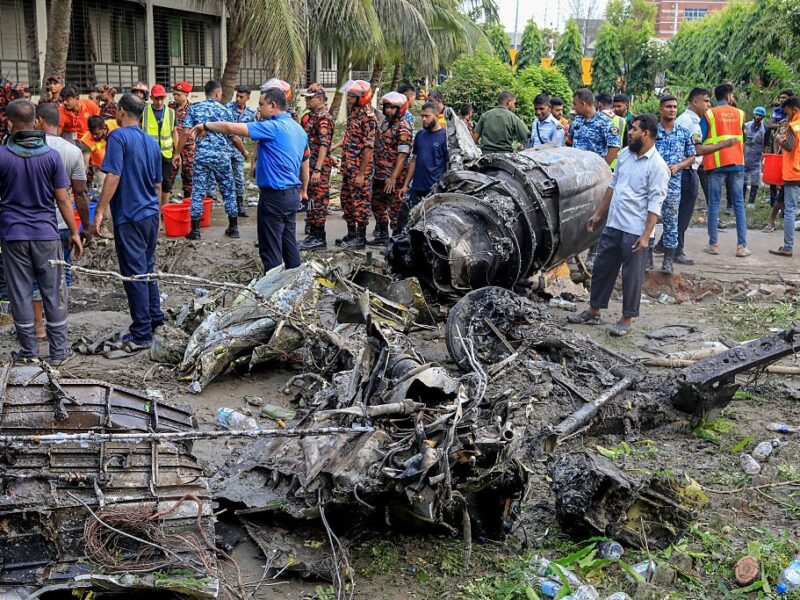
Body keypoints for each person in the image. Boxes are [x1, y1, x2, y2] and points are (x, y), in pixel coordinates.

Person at [567, 114, 670, 337]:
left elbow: (655, 204)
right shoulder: (625, 155)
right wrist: (598, 214)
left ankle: (626, 319)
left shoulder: (658, 166)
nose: (630, 133)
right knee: (603, 269)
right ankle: (594, 312)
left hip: (636, 230)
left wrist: (646, 236)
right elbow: (612, 187)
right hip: (614, 224)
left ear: (647, 134)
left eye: (633, 129)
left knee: (631, 276)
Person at [0, 99, 83, 361]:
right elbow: (63, 199)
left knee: (21, 293)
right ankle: (58, 353)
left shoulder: (1, 156)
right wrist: (74, 232)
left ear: (9, 123)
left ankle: (29, 353)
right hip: (47, 235)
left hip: (13, 236)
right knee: (54, 291)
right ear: (35, 121)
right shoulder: (51, 156)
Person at [191, 87, 309, 271]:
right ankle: (295, 285)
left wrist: (205, 125)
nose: (258, 109)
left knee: (270, 250)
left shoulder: (273, 127)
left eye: (261, 105)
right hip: (291, 195)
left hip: (274, 197)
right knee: (289, 244)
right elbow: (304, 161)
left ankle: (272, 292)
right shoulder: (298, 129)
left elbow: (231, 128)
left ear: (273, 105)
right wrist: (304, 190)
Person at [93, 93, 163, 347]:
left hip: (130, 214)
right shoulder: (151, 142)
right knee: (146, 267)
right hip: (149, 214)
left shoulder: (118, 137)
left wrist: (100, 210)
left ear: (121, 112)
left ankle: (142, 331)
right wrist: (157, 212)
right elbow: (157, 183)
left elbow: (113, 175)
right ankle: (155, 318)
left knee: (134, 274)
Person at [33, 103, 91, 338]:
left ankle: (38, 327)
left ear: (38, 121)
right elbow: (79, 193)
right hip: (64, 223)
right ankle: (59, 321)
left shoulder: (27, 148)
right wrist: (85, 226)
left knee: (35, 276)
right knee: (63, 272)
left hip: (35, 226)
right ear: (58, 123)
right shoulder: (73, 150)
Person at [175, 80, 247, 240]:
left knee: (198, 191)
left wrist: (177, 153)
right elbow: (234, 136)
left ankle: (195, 230)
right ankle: (233, 227)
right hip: (222, 157)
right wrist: (243, 152)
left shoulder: (195, 108)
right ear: (217, 93)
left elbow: (185, 133)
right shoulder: (225, 111)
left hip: (202, 157)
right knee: (228, 189)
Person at [567, 88, 621, 269]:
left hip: (596, 178)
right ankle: (570, 252)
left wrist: (601, 169)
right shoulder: (577, 122)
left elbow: (614, 149)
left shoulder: (606, 123)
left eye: (575, 104)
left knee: (596, 213)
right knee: (573, 212)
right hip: (576, 176)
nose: (573, 107)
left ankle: (593, 253)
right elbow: (569, 142)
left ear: (583, 103)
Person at [700, 83, 750, 257]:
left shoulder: (709, 114)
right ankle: (741, 247)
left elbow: (701, 137)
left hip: (716, 163)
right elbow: (744, 137)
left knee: (714, 203)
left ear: (716, 96)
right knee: (739, 204)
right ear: (729, 96)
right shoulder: (740, 113)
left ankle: (713, 244)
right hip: (737, 162)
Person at [652, 95, 696, 274]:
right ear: (661, 109)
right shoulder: (653, 132)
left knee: (671, 221)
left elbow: (692, 156)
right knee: (650, 219)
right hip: (653, 183)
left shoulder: (684, 132)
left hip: (674, 184)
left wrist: (679, 166)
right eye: (668, 106)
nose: (672, 109)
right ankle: (647, 259)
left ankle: (668, 261)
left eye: (675, 107)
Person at [337, 80, 378, 249]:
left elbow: (368, 149)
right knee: (346, 200)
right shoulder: (354, 114)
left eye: (352, 96)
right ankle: (351, 233)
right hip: (349, 167)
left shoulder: (368, 118)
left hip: (360, 169)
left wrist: (361, 174)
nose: (349, 98)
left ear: (362, 97)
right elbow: (349, 139)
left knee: (360, 203)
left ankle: (360, 238)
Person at [369, 91, 413, 245]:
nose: (388, 110)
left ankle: (396, 241)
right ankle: (381, 235)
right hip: (380, 174)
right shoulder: (386, 124)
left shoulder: (403, 128)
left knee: (395, 210)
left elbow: (402, 155)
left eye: (392, 108)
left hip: (395, 178)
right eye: (386, 107)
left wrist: (393, 178)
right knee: (376, 204)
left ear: (400, 109)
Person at [397, 102, 449, 230]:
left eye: (427, 116)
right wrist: (405, 185)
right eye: (422, 116)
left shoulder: (445, 137)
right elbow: (414, 160)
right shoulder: (420, 134)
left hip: (434, 189)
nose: (424, 119)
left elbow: (448, 164)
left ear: (436, 115)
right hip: (417, 187)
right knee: (411, 221)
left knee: (431, 224)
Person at [299, 83, 334, 250]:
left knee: (319, 201)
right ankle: (313, 234)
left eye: (309, 98)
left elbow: (324, 145)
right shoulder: (313, 116)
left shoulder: (324, 118)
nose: (306, 101)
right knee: (312, 200)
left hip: (317, 169)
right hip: (310, 166)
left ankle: (319, 237)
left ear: (319, 99)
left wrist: (318, 169)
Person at [769, 95, 800, 257]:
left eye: (787, 113)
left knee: (789, 211)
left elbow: (789, 146)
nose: (787, 116)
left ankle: (788, 247)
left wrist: (780, 139)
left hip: (794, 173)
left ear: (794, 110)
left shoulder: (794, 126)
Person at [142, 84, 177, 207]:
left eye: (162, 98)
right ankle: (154, 209)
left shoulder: (171, 113)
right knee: (152, 182)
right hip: (149, 154)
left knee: (166, 182)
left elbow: (174, 133)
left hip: (166, 153)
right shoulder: (144, 112)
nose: (159, 101)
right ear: (151, 97)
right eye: (156, 98)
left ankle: (164, 210)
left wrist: (177, 153)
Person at [226, 85, 257, 217]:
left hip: (238, 152)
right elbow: (231, 133)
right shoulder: (227, 109)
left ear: (248, 98)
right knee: (226, 179)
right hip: (226, 149)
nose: (238, 99)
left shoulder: (251, 113)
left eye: (241, 97)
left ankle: (239, 205)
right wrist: (245, 151)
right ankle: (230, 206)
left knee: (239, 178)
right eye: (237, 96)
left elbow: (255, 131)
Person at [169, 81, 194, 199]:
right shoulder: (170, 107)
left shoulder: (193, 109)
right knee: (170, 175)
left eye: (179, 95)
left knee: (188, 175)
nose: (176, 97)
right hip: (172, 146)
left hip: (188, 148)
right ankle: (166, 202)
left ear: (186, 95)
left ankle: (187, 202)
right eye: (174, 94)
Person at [743, 106, 768, 205]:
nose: (758, 117)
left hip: (757, 158)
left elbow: (766, 144)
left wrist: (764, 157)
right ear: (754, 114)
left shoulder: (765, 129)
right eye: (757, 115)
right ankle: (742, 200)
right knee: (743, 181)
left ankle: (751, 202)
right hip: (745, 156)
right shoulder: (746, 126)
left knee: (755, 180)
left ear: (763, 117)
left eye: (760, 116)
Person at [598, 92, 627, 164]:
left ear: (599, 105)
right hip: (617, 164)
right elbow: (626, 145)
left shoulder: (595, 119)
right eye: (615, 106)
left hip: (600, 164)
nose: (616, 109)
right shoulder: (622, 121)